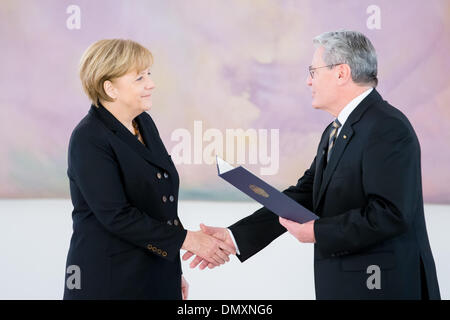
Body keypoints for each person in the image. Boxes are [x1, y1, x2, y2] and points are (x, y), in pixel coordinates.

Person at [184, 30, 441, 300]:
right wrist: (235, 237)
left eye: (313, 71)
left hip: (383, 287)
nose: (308, 81)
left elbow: (390, 214)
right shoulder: (336, 129)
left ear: (342, 73)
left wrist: (318, 231)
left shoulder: (386, 127)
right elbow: (305, 195)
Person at [63, 39, 234, 300]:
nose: (151, 84)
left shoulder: (143, 122)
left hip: (154, 272)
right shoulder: (88, 138)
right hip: (110, 280)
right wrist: (188, 240)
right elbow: (117, 216)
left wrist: (172, 271)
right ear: (110, 88)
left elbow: (159, 207)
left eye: (149, 75)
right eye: (139, 78)